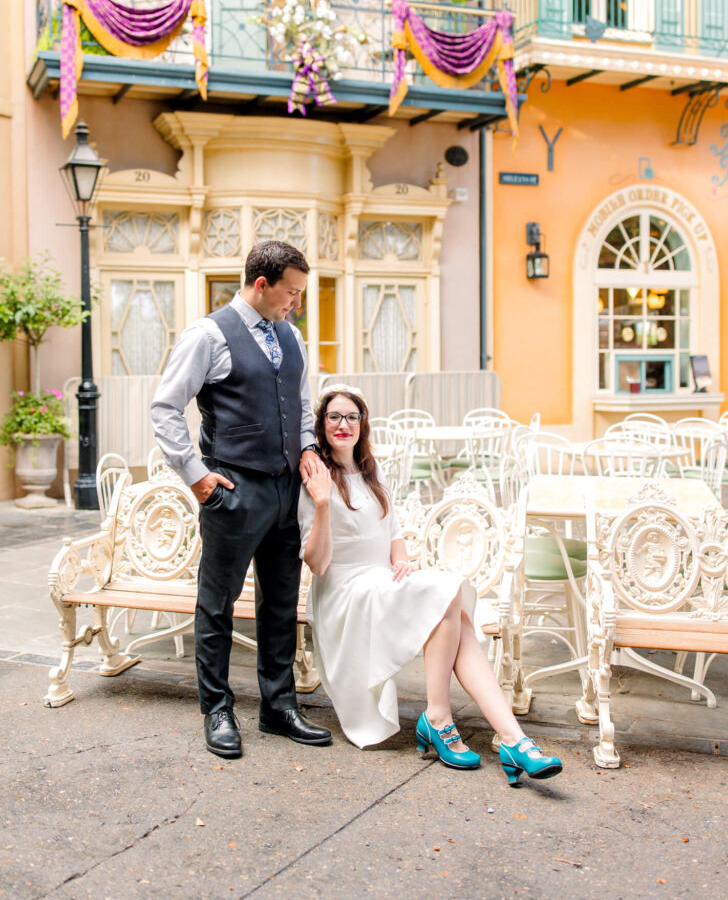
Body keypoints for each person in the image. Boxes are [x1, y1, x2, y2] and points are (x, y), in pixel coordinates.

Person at [298, 384, 563, 786]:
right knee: (448, 592)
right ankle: (441, 719)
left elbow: (394, 532)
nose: (343, 424)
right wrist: (320, 502)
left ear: (362, 425)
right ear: (322, 425)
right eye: (333, 416)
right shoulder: (316, 477)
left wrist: (400, 559)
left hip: (381, 580)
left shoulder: (371, 471)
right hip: (345, 593)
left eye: (352, 416)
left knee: (454, 614)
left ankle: (513, 738)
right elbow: (317, 565)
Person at [150, 240, 331, 758]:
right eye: (291, 292)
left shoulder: (291, 336)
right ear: (261, 284)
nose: (296, 302)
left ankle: (278, 708)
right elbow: (166, 408)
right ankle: (218, 709)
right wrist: (197, 476)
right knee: (218, 604)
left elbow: (298, 407)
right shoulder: (208, 335)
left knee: (280, 603)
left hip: (284, 490)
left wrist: (310, 449)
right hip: (233, 490)